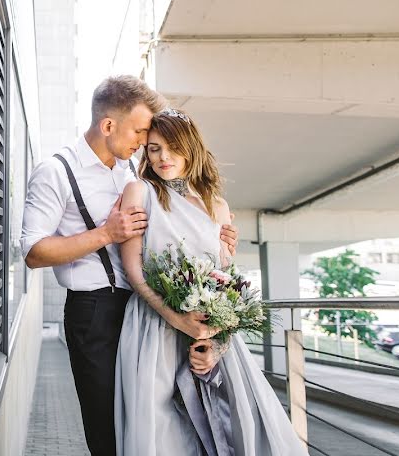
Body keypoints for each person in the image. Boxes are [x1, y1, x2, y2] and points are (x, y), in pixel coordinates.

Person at [21, 76, 239, 456]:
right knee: (108, 427)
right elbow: (33, 251)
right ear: (109, 125)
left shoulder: (130, 175)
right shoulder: (55, 172)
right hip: (94, 313)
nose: (144, 141)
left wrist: (216, 240)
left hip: (144, 312)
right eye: (139, 131)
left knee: (151, 425)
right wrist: (106, 233)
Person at [114, 108, 306, 455]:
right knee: (162, 434)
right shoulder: (138, 192)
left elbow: (223, 284)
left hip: (208, 332)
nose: (162, 157)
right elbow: (134, 272)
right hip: (153, 329)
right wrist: (176, 319)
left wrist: (214, 343)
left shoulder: (216, 205)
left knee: (235, 425)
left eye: (172, 147)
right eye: (154, 148)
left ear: (191, 148)